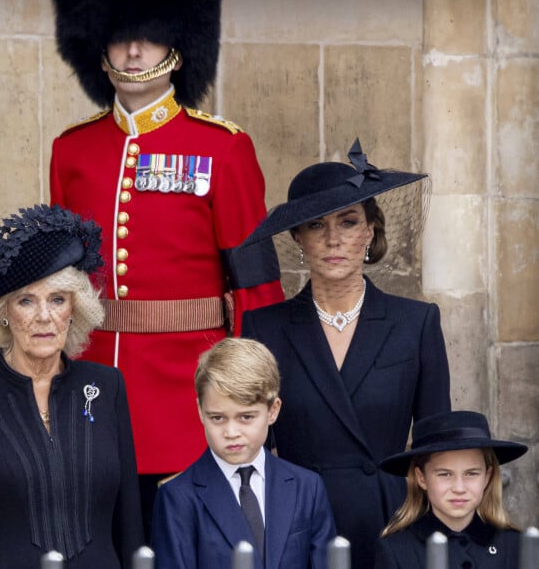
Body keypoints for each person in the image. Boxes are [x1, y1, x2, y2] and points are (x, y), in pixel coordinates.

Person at [46, 0, 284, 538]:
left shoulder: (222, 148)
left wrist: (250, 395)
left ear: (177, 43)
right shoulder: (73, 150)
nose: (133, 52)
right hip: (92, 392)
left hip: (189, 399)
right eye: (121, 37)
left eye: (149, 37)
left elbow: (255, 288)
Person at [240, 138, 452, 568]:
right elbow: (251, 446)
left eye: (349, 221)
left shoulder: (417, 323)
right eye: (317, 225)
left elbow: (437, 447)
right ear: (298, 237)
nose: (333, 238)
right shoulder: (264, 328)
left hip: (392, 524)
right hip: (298, 521)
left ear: (370, 231)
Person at [0, 204, 143, 568]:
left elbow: (130, 520)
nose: (44, 316)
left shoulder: (106, 386)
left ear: (75, 308)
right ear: (5, 312)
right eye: (26, 300)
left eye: (57, 300)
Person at [151, 337, 336, 569]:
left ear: (272, 410)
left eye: (246, 417)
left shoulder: (307, 487)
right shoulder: (177, 497)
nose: (231, 432)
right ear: (200, 411)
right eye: (217, 418)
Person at [375, 410, 528, 568]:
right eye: (445, 474)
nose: (459, 488)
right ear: (422, 478)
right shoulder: (396, 550)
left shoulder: (517, 546)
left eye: (471, 473)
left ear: (487, 477)